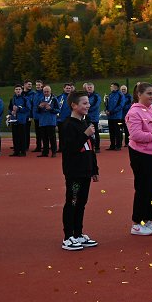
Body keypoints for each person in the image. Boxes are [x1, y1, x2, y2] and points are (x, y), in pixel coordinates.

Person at [59, 90, 100, 251]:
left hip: (85, 171)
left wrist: (94, 169)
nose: (88, 106)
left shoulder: (85, 122)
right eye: (84, 103)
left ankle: (78, 233)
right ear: (74, 105)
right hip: (74, 172)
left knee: (81, 203)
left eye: (88, 103)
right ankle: (68, 236)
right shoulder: (68, 125)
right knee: (73, 202)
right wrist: (85, 134)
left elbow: (90, 148)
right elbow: (69, 148)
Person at [125, 82, 152, 236]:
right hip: (141, 155)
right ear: (139, 94)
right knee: (143, 188)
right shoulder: (133, 113)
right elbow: (136, 136)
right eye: (149, 93)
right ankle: (137, 223)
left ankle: (148, 219)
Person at [36, 85, 59, 158]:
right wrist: (39, 107)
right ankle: (45, 152)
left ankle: (54, 152)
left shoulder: (54, 99)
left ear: (50, 91)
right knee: (44, 138)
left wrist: (51, 109)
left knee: (52, 138)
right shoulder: (41, 99)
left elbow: (58, 110)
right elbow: (37, 111)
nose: (46, 93)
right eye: (44, 92)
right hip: (42, 121)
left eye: (47, 91)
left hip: (51, 121)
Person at [8, 85, 31, 156]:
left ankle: (23, 151)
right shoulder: (12, 99)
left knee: (22, 136)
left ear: (21, 90)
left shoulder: (25, 99)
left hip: (22, 120)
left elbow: (28, 108)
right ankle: (16, 151)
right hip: (14, 120)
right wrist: (11, 112)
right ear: (14, 91)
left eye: (19, 89)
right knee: (15, 136)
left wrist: (19, 109)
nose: (18, 90)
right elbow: (9, 108)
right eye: (16, 89)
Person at [105, 82, 124, 151]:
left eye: (112, 86)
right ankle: (112, 145)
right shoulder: (110, 95)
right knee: (111, 131)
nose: (110, 87)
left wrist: (112, 111)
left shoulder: (120, 95)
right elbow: (107, 104)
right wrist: (106, 110)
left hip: (117, 117)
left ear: (116, 87)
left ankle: (118, 145)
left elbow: (121, 105)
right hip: (110, 117)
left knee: (117, 131)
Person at [84, 82, 101, 153]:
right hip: (85, 117)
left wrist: (86, 109)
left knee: (95, 132)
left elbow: (96, 106)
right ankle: (88, 146)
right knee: (86, 132)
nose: (89, 89)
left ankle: (97, 147)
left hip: (93, 117)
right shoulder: (84, 96)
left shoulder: (96, 96)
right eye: (88, 87)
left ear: (93, 88)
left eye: (90, 87)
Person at [30, 79, 44, 152]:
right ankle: (38, 147)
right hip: (36, 116)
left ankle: (45, 146)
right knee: (38, 133)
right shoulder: (34, 94)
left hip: (42, 117)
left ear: (42, 85)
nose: (38, 86)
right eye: (37, 85)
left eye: (39, 85)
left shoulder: (44, 93)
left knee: (44, 133)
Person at [22, 80, 35, 151]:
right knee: (20, 130)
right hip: (20, 115)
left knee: (26, 131)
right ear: (24, 84)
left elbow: (33, 105)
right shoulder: (21, 92)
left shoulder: (33, 94)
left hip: (28, 115)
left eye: (31, 84)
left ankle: (26, 146)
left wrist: (31, 115)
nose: (30, 85)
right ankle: (20, 144)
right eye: (28, 84)